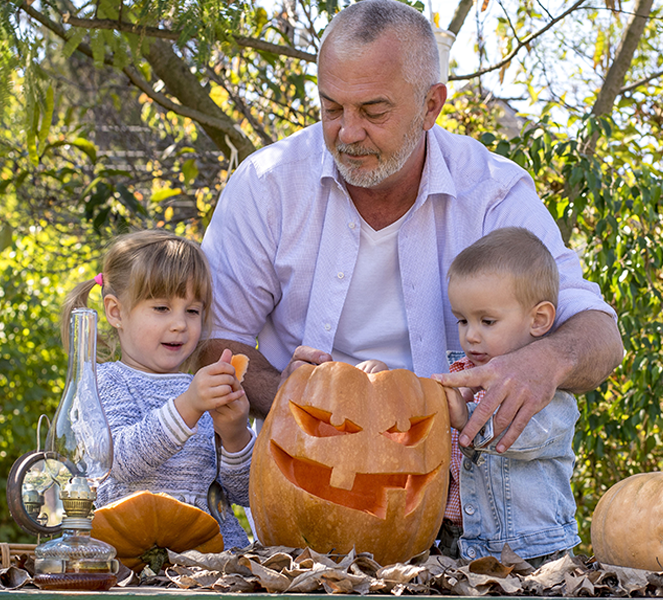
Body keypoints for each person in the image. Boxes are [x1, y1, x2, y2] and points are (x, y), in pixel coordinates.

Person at [199, 0, 623, 458]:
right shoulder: (268, 185)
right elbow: (213, 340)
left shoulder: (493, 191)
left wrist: (545, 361)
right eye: (331, 108)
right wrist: (284, 395)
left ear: (430, 106)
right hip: (307, 467)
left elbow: (599, 335)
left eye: (373, 111)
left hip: (470, 496)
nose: (348, 132)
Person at [61, 229, 254, 550]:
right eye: (162, 308)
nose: (180, 323)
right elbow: (118, 461)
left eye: (192, 310)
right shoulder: (104, 383)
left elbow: (245, 494)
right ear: (116, 312)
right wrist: (189, 407)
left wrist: (235, 436)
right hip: (131, 559)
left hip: (216, 562)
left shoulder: (204, 390)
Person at [432, 226, 579, 566]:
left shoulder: (544, 388)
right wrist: (380, 380)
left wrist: (465, 420)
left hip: (533, 553)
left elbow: (518, 437)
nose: (471, 336)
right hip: (458, 545)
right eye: (462, 321)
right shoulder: (461, 376)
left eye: (487, 321)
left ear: (538, 319)